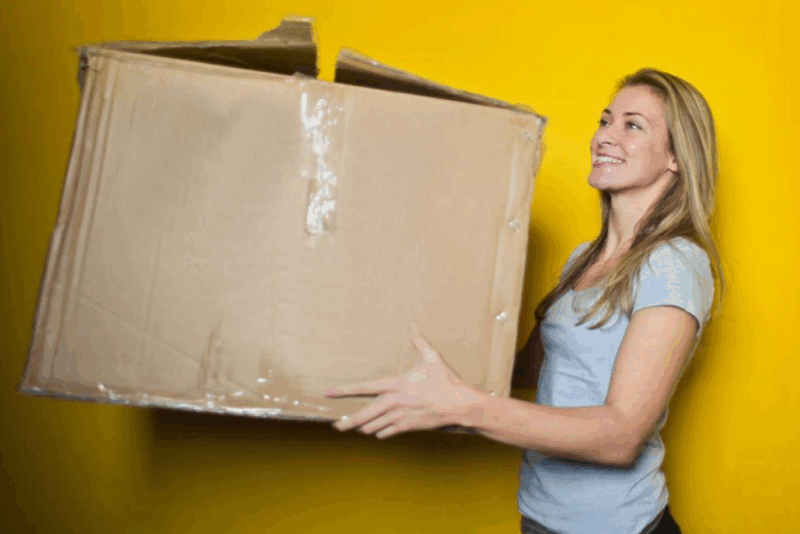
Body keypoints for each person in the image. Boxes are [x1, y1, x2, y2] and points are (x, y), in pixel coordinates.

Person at [325, 68, 723, 534]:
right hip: (542, 517)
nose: (605, 137)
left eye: (632, 125)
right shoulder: (584, 258)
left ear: (677, 157)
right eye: (605, 120)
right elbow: (532, 369)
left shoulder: (673, 263)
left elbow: (621, 436)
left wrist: (460, 406)